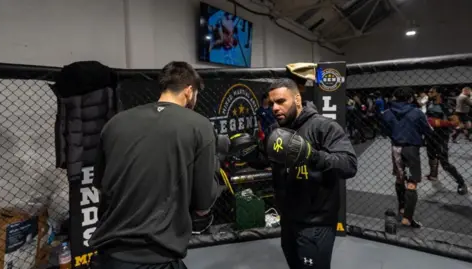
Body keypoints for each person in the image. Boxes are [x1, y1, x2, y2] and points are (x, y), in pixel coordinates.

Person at [89, 61, 220, 269]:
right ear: (189, 91)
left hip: (108, 254)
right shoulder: (199, 125)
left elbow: (101, 186)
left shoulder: (115, 123)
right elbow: (203, 206)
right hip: (155, 256)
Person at [231, 78, 357, 269]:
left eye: (281, 102)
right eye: (271, 103)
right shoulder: (276, 129)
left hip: (316, 223)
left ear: (297, 99)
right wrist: (249, 155)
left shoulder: (323, 127)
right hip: (289, 220)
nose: (274, 108)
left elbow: (349, 164)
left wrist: (311, 155)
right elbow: (267, 160)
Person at [382, 87, 432, 229]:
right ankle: (407, 219)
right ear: (410, 98)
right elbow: (427, 130)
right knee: (412, 182)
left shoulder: (387, 113)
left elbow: (385, 131)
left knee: (399, 178)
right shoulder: (417, 113)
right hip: (410, 149)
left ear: (394, 97)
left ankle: (402, 209)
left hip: (396, 148)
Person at [425, 87, 468, 195]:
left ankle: (461, 183)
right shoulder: (429, 103)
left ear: (438, 93)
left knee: (445, 163)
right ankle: (433, 175)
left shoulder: (446, 105)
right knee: (431, 157)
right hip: (430, 135)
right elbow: (428, 118)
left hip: (441, 137)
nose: (428, 93)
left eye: (431, 91)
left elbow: (456, 122)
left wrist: (437, 122)